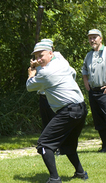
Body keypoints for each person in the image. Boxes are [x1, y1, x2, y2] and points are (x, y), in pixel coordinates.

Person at [26, 42, 88, 182]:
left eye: (41, 55)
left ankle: (54, 179)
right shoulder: (61, 62)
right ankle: (81, 173)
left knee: (44, 145)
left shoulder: (46, 73)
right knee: (68, 145)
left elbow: (29, 87)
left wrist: (31, 73)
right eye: (36, 56)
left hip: (68, 111)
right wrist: (39, 62)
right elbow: (62, 61)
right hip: (81, 108)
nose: (38, 59)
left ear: (50, 54)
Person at [82, 29, 106, 152]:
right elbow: (84, 70)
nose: (92, 40)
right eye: (90, 38)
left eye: (94, 37)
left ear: (101, 38)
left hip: (104, 92)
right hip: (93, 92)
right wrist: (86, 82)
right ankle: (105, 146)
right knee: (99, 121)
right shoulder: (89, 55)